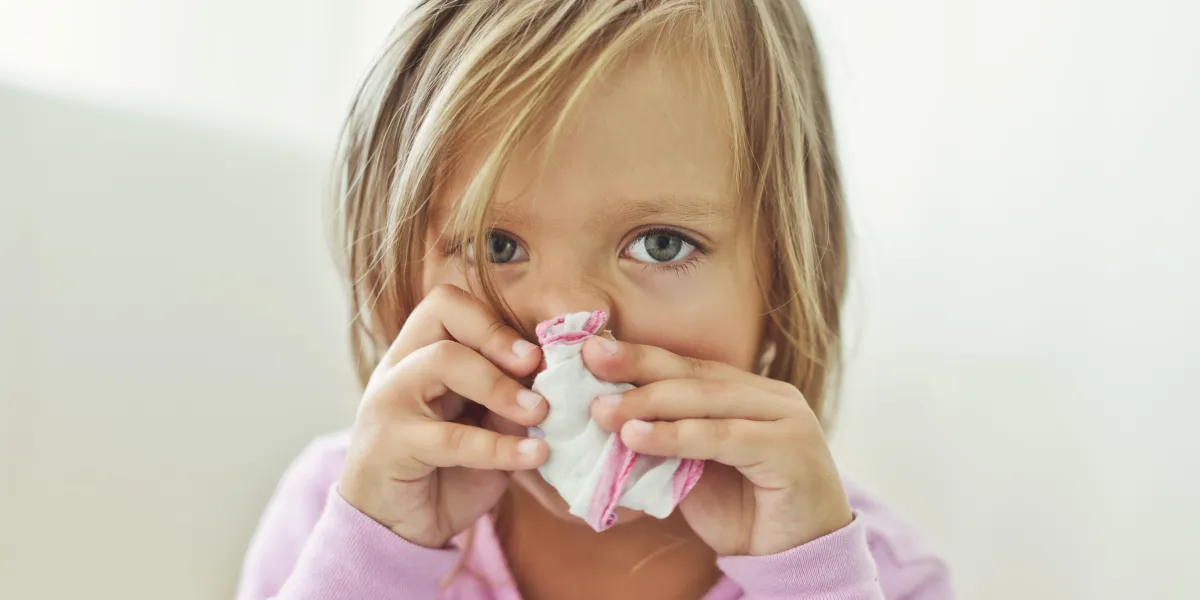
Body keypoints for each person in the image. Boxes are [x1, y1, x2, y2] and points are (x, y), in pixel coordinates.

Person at [236, 1, 952, 598]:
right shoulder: (342, 526)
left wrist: (811, 581)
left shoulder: (872, 574)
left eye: (662, 244)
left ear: (785, 282)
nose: (567, 325)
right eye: (498, 246)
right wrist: (377, 560)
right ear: (395, 272)